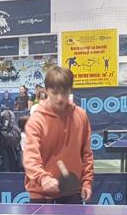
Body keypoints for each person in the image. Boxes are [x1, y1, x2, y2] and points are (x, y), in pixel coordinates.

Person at [22, 67, 94, 204]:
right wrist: (43, 178)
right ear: (46, 91)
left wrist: (87, 182)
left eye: (64, 93)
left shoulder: (81, 116)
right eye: (54, 93)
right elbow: (30, 157)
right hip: (40, 191)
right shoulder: (36, 120)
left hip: (71, 190)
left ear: (70, 90)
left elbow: (86, 153)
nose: (60, 98)